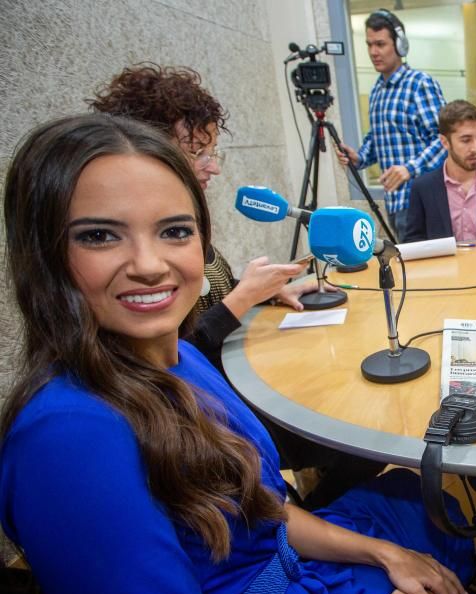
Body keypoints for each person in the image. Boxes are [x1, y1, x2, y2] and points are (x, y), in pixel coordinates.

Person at [0, 113, 476, 594]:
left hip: (281, 566)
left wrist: (383, 554)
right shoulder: (67, 440)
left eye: (174, 231)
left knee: (422, 502)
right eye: (100, 236)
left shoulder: (177, 358)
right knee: (443, 547)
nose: (151, 265)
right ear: (45, 256)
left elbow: (260, 507)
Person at [88, 63, 384, 507]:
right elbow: (176, 355)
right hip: (205, 418)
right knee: (359, 434)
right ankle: (299, 523)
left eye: (213, 152)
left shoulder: (192, 227)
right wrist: (243, 296)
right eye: (197, 152)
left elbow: (207, 300)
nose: (212, 168)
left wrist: (260, 289)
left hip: (228, 393)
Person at [337, 9, 447, 240]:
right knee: (408, 269)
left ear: (400, 45)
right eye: (369, 45)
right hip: (394, 202)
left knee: (428, 271)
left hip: (423, 201)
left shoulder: (420, 84)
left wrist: (410, 169)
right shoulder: (378, 89)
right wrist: (359, 157)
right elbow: (378, 138)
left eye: (380, 44)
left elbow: (445, 140)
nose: (373, 52)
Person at [404, 100, 476, 243]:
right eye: (466, 140)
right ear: (445, 142)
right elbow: (412, 242)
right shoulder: (423, 187)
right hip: (444, 265)